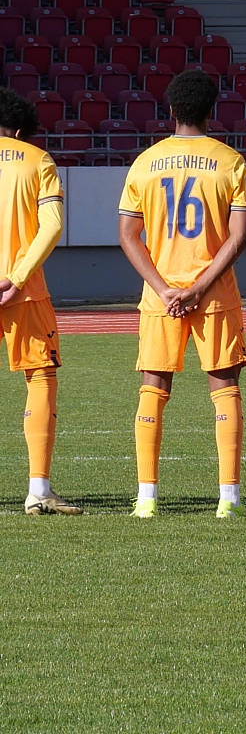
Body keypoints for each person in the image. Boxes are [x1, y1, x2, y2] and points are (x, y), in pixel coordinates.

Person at [116, 71, 246, 519]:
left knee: (153, 386)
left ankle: (147, 498)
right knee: (224, 386)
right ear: (211, 111)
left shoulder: (145, 162)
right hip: (213, 295)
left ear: (170, 111)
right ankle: (228, 499)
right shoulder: (230, 161)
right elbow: (238, 237)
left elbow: (128, 234)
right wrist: (198, 287)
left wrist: (163, 289)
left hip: (161, 297)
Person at [0, 88, 72, 515]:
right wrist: (17, 276)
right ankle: (38, 489)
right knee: (40, 376)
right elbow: (52, 226)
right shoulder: (36, 159)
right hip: (21, 291)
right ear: (22, 130)